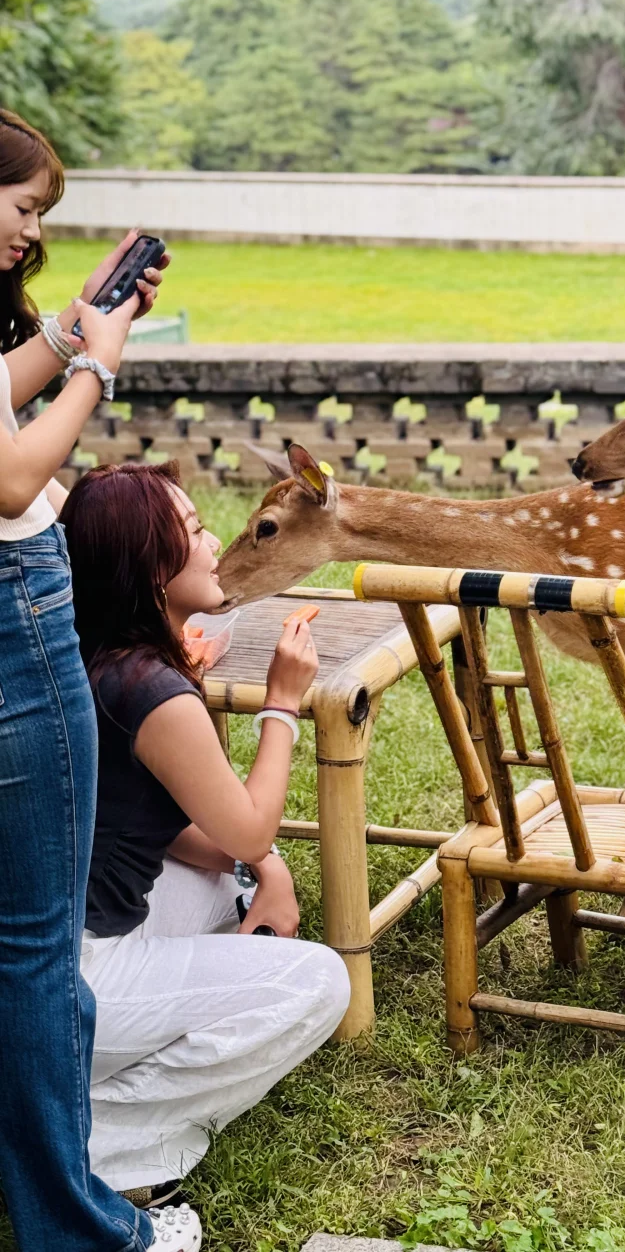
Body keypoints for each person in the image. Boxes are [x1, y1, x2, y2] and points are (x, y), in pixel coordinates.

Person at [59, 461, 351, 1208]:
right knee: (319, 982)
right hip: (79, 985)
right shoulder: (153, 694)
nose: (213, 538)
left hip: (57, 953)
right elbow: (251, 823)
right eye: (193, 531)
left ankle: (83, 1101)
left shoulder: (90, 657)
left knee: (233, 883)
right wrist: (282, 706)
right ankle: (101, 1142)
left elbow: (202, 837)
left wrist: (271, 870)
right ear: (153, 567)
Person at [0, 109, 180, 1252]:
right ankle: (80, 1229)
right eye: (23, 209)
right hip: (16, 620)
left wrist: (67, 334)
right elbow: (13, 480)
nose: (30, 234)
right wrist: (96, 375)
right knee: (34, 946)